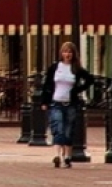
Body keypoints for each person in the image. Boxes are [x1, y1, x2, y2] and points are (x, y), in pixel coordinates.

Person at [41, 41, 95, 169]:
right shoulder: (55, 67)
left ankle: (67, 157)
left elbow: (90, 79)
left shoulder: (76, 69)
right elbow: (47, 84)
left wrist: (78, 89)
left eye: (70, 52)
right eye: (65, 51)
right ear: (61, 53)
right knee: (58, 128)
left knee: (68, 130)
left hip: (70, 104)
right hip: (56, 102)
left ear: (73, 54)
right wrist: (44, 101)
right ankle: (58, 156)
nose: (67, 54)